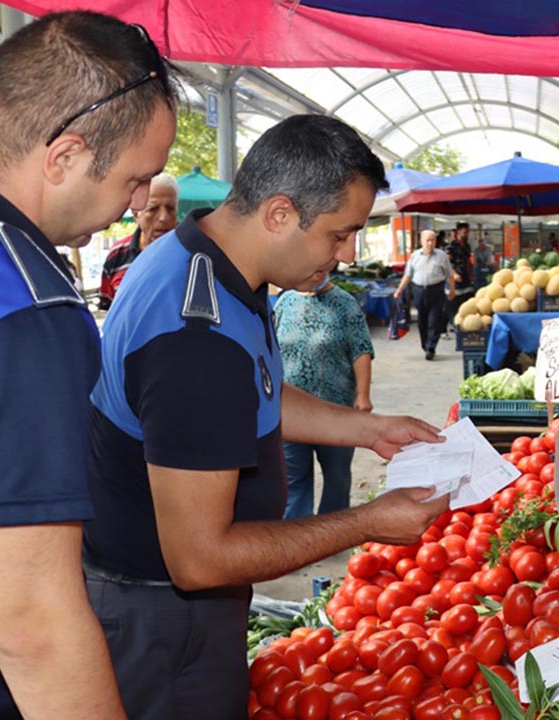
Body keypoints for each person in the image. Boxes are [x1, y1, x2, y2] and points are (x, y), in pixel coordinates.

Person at [86, 114, 449, 719]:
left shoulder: (214, 264)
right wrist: (366, 521)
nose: (347, 254)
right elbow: (200, 558)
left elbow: (258, 392)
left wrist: (369, 428)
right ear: (279, 214)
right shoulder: (195, 335)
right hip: (160, 619)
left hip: (178, 607)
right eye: (339, 235)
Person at [0, 11, 177, 719]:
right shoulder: (22, 313)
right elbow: (32, 623)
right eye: (137, 179)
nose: (137, 205)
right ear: (66, 156)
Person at [274, 269, 375, 519]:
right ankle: (297, 535)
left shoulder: (344, 303)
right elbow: (272, 345)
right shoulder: (286, 301)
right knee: (293, 477)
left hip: (335, 408)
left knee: (337, 476)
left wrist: (363, 395)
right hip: (291, 410)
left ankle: (333, 529)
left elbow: (361, 350)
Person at [98, 172, 178, 309]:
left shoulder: (192, 252)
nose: (164, 217)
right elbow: (109, 308)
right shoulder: (117, 255)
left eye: (170, 208)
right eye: (153, 209)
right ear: (136, 215)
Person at [394, 229, 456, 360]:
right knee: (422, 320)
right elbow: (408, 274)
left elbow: (450, 274)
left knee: (434, 320)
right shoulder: (415, 256)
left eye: (432, 240)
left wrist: (452, 290)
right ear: (421, 241)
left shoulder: (441, 256)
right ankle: (425, 345)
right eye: (427, 240)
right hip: (419, 291)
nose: (430, 243)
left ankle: (431, 347)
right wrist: (400, 289)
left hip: (436, 291)